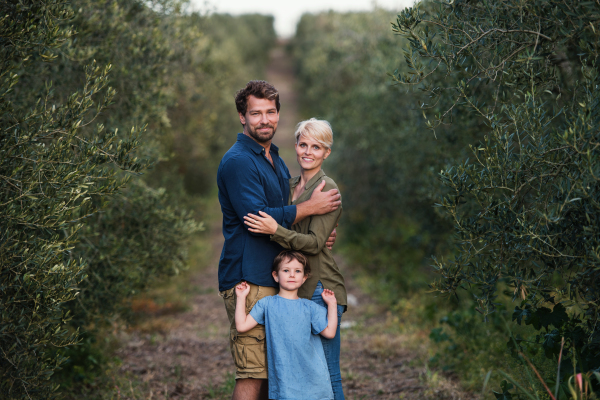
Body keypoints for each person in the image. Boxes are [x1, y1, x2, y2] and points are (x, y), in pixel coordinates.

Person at [217, 81, 341, 400]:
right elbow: (259, 219)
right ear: (242, 117)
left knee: (274, 372)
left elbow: (284, 215)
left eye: (270, 112)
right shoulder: (239, 162)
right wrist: (310, 207)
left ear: (278, 115)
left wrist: (318, 232)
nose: (264, 120)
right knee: (253, 372)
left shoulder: (274, 158)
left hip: (270, 280)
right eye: (255, 113)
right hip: (249, 279)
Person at [244, 118, 348, 399]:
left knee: (327, 373)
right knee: (300, 371)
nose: (308, 152)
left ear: (326, 152)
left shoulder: (327, 187)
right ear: (296, 146)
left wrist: (275, 230)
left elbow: (314, 243)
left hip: (319, 288)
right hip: (296, 289)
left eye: (317, 147)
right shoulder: (288, 186)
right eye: (304, 144)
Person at [235, 250, 338, 400]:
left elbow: (330, 332)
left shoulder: (309, 307)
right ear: (275, 276)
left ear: (304, 278)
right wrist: (241, 297)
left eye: (297, 271)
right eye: (286, 270)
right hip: (284, 377)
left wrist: (332, 305)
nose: (292, 275)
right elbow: (241, 326)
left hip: (312, 376)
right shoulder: (267, 304)